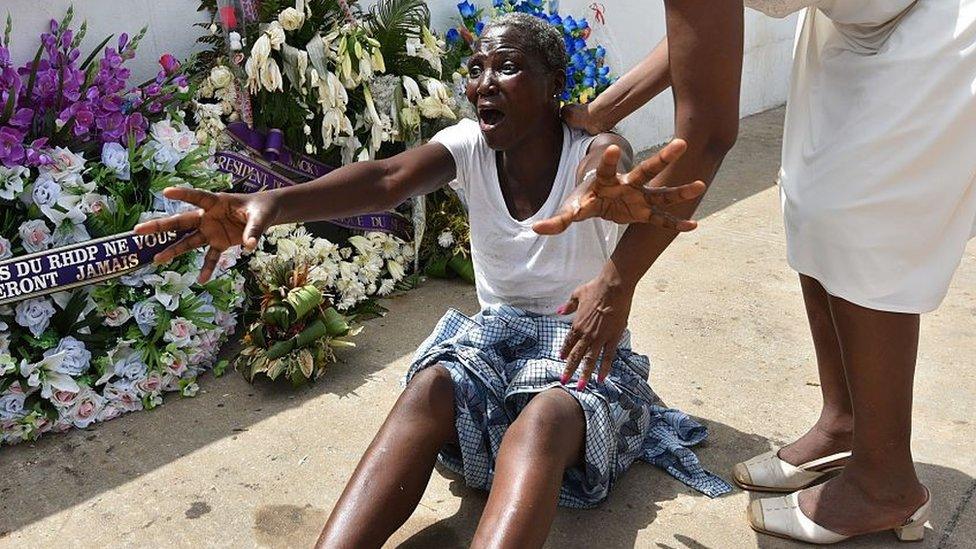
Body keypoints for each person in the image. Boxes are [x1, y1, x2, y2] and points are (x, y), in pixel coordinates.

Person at [136, 14, 726, 549]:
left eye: (509, 67)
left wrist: (604, 182)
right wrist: (268, 201)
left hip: (581, 347)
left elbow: (608, 155)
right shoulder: (468, 147)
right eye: (477, 69)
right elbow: (388, 177)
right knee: (429, 386)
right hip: (497, 339)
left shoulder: (585, 149)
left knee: (542, 422)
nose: (484, 83)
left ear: (554, 88)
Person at [542, 0, 976, 543]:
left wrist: (616, 278)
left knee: (866, 221)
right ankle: (845, 423)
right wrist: (600, 114)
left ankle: (884, 481)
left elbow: (706, 133)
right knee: (812, 201)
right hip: (853, 22)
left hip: (938, 19)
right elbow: (699, 34)